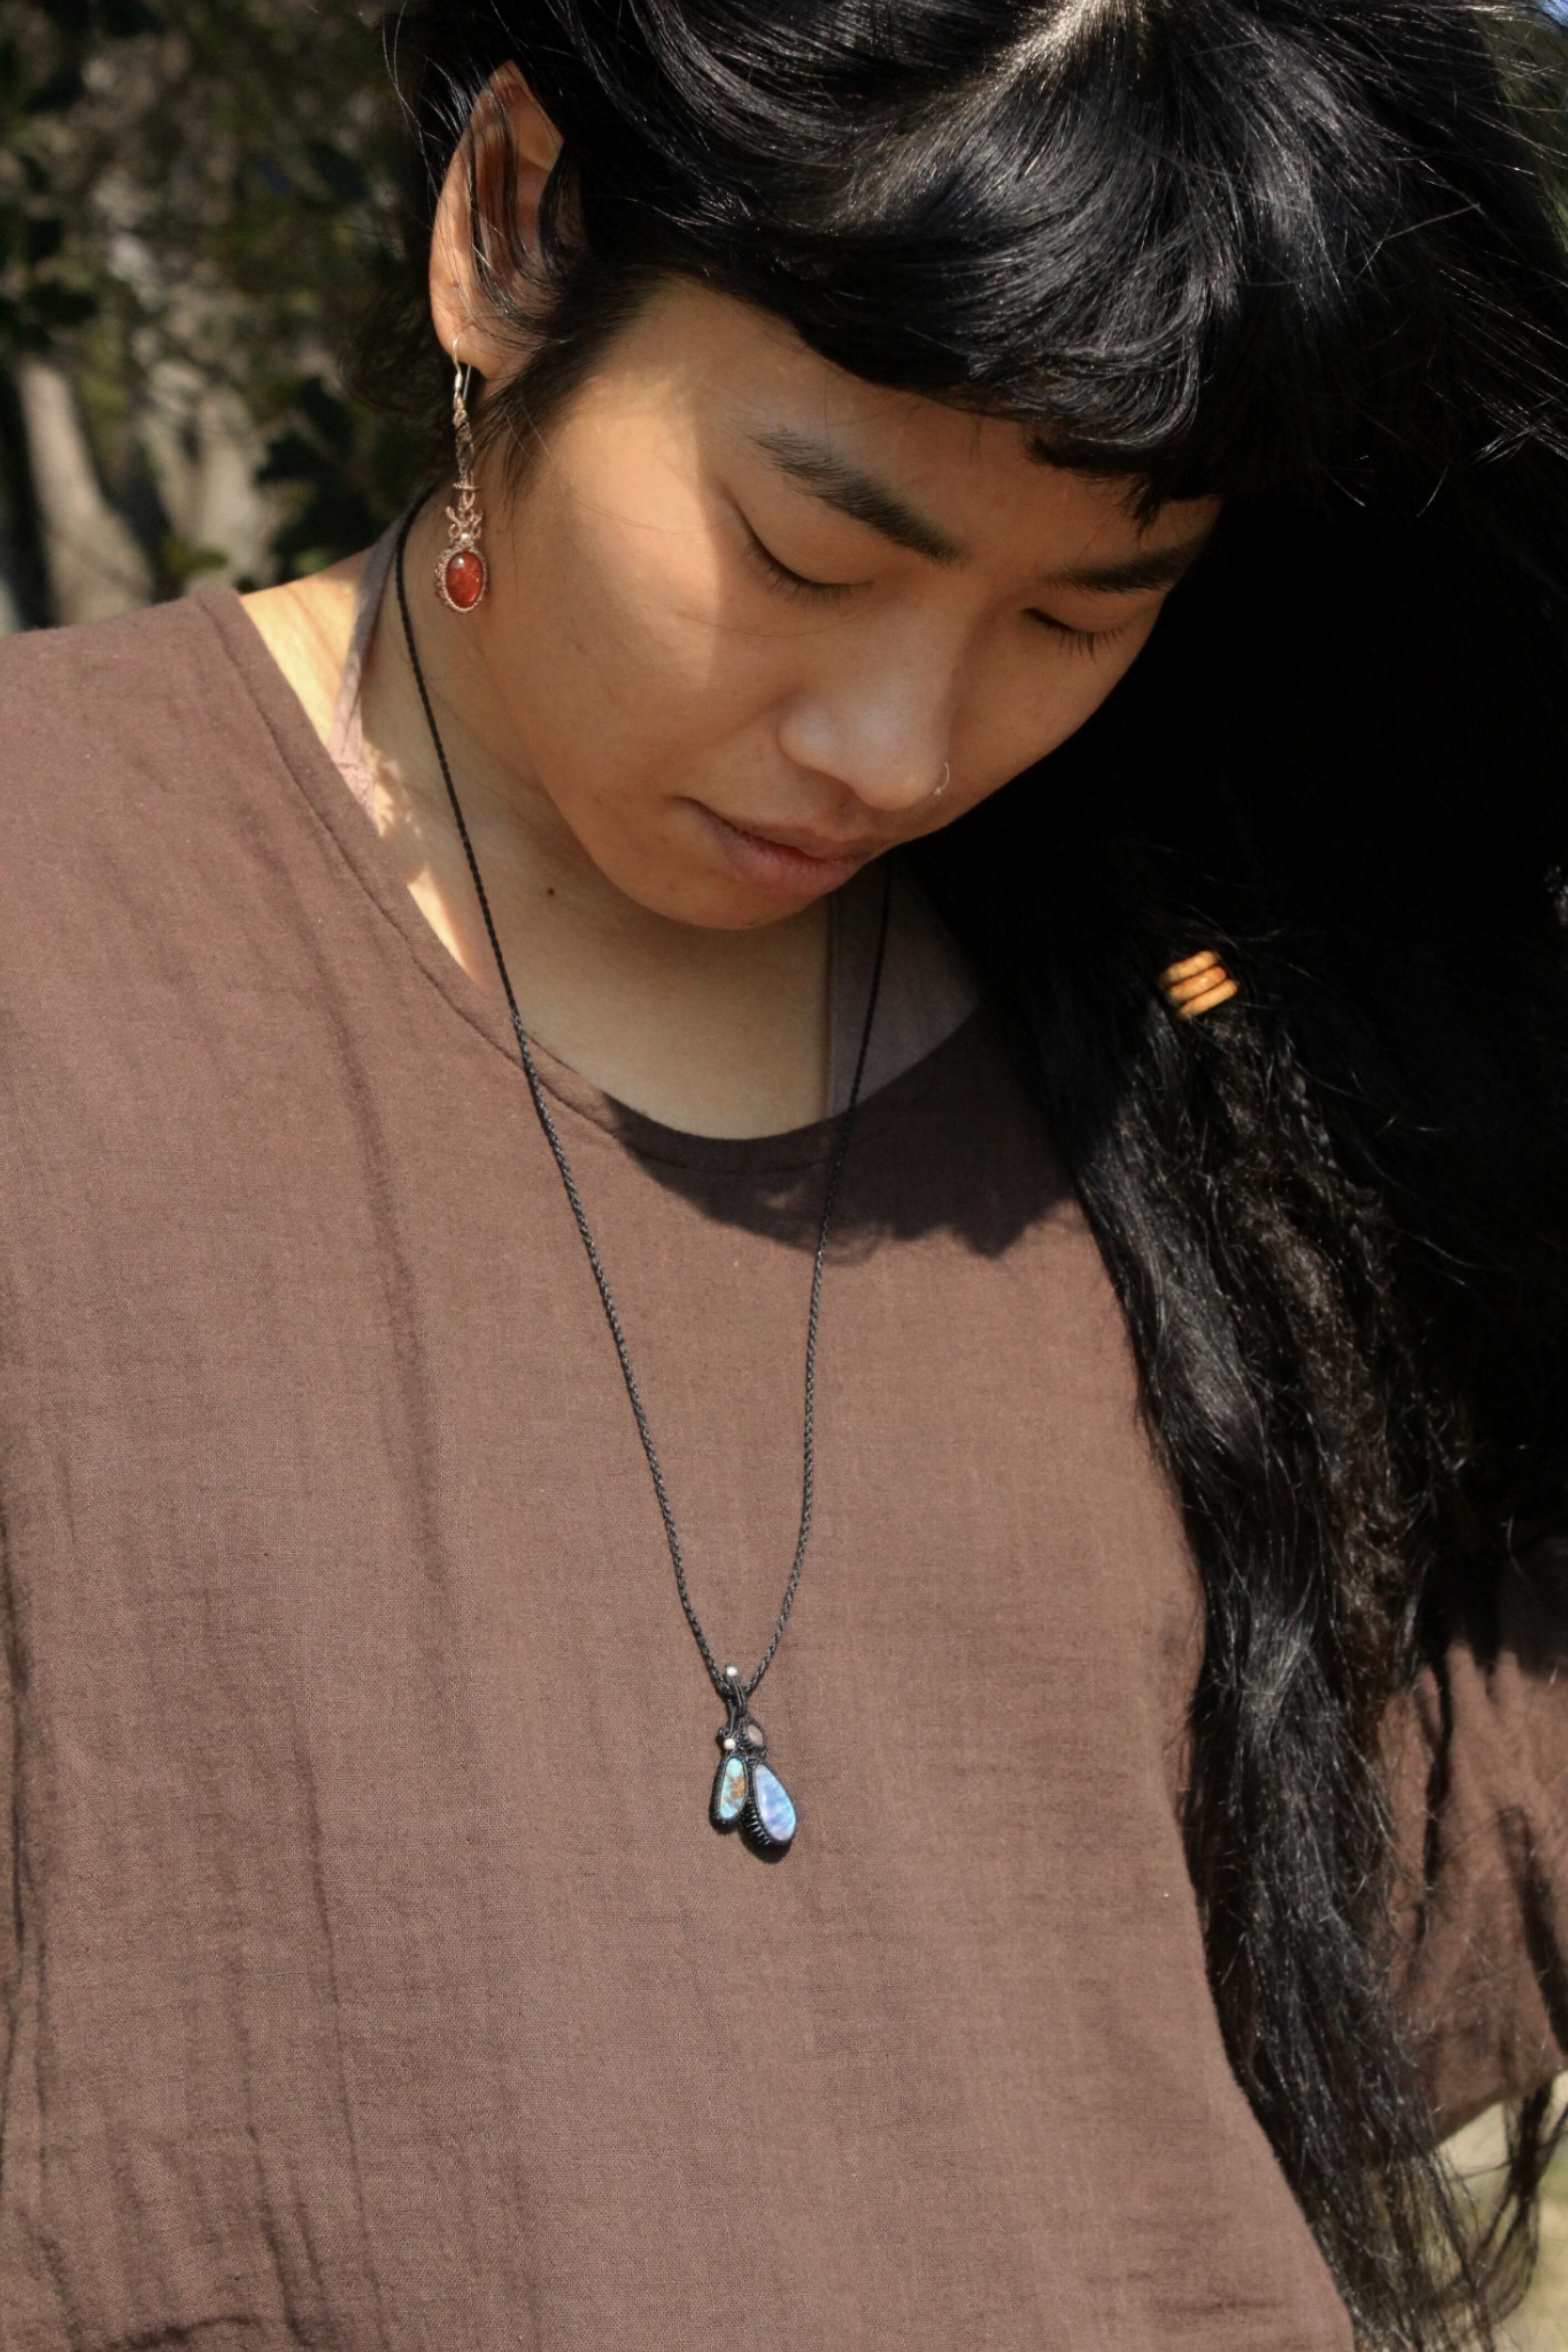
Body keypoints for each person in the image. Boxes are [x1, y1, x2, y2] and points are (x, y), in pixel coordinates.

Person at [2, 2, 1566, 2345]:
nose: (898, 745)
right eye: (810, 551)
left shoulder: (1192, 1052)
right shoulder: (53, 916)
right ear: (512, 228)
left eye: (1079, 613)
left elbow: (1371, 1932)